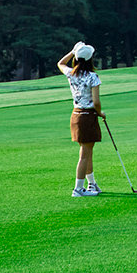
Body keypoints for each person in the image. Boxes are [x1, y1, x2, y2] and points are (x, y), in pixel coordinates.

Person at [57, 42, 102, 197]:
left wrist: (72, 51)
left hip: (76, 115)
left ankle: (91, 184)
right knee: (84, 154)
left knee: (87, 152)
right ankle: (78, 189)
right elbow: (96, 102)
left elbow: (60, 63)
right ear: (90, 59)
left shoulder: (71, 73)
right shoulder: (93, 77)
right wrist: (101, 113)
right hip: (88, 117)